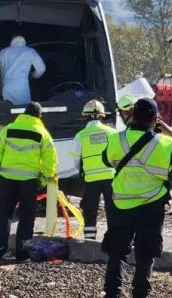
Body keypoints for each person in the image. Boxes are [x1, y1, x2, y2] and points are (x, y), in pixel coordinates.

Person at [101, 98, 172, 298]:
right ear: (155, 119)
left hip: (121, 203)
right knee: (146, 251)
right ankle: (141, 292)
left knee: (117, 250)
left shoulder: (117, 139)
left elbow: (105, 159)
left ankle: (112, 292)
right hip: (151, 205)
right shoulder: (164, 143)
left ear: (133, 116)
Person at [0, 101, 57, 263]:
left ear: (24, 113)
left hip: (7, 179)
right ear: (39, 116)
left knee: (4, 215)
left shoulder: (9, 129)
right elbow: (50, 159)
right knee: (27, 217)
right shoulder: (42, 133)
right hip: (29, 181)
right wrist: (45, 177)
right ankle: (22, 254)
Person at [71, 99, 117, 240]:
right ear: (102, 116)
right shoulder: (112, 133)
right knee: (113, 210)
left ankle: (90, 240)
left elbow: (75, 162)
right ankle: (114, 239)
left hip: (91, 181)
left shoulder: (80, 136)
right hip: (111, 178)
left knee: (90, 211)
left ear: (85, 116)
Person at [0, 35, 46, 105]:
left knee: (8, 111)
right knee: (23, 111)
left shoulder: (4, 51)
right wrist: (34, 76)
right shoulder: (29, 51)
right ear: (24, 40)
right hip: (21, 87)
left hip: (6, 87)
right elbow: (41, 69)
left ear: (12, 40)